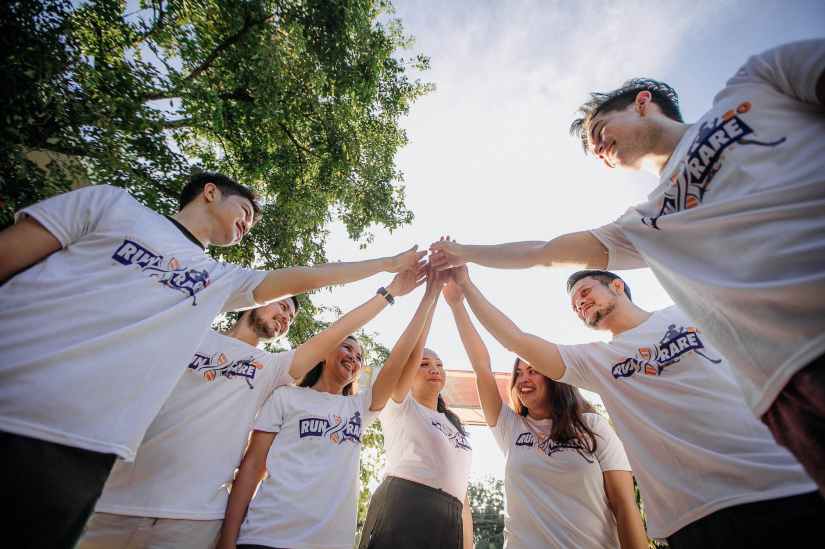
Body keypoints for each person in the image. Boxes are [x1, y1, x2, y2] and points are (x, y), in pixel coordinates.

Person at [428, 40, 825, 490]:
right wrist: (463, 252)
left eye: (598, 129)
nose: (597, 149)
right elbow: (544, 252)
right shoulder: (643, 224)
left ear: (642, 102)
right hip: (791, 383)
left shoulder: (755, 81)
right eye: (593, 151)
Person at [0, 172, 425, 548]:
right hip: (105, 490)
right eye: (244, 211)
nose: (284, 314)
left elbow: (314, 296)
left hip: (157, 496)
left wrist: (387, 281)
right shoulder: (117, 210)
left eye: (291, 316)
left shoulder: (251, 335)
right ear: (210, 192)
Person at [451, 265, 823, 548]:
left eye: (584, 292)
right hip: (692, 516)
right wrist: (461, 293)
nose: (580, 303)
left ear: (617, 285)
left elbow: (624, 504)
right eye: (575, 304)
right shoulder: (593, 364)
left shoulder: (687, 314)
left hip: (780, 482)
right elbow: (507, 346)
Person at [79, 265, 420, 548]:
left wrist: (389, 293)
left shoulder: (272, 370)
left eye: (291, 316)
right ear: (254, 299)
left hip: (194, 518)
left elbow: (338, 332)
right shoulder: (189, 333)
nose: (286, 316)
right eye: (282, 305)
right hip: (113, 500)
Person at [216, 267, 441, 549]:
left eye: (359, 357)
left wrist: (430, 297)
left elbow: (401, 358)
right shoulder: (286, 397)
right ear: (325, 352)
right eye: (347, 349)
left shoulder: (360, 407)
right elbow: (252, 468)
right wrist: (227, 538)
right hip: (266, 538)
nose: (354, 358)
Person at [443, 271, 646, 549]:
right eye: (518, 373)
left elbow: (624, 505)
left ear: (553, 377)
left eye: (533, 371)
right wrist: (457, 304)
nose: (523, 379)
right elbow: (481, 366)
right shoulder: (509, 427)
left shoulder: (592, 426)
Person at [358, 275, 473, 549]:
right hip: (405, 505)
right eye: (424, 364)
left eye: (439, 365)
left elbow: (462, 492)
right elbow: (411, 352)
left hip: (449, 517)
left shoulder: (453, 423)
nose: (434, 369)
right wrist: (432, 294)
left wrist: (467, 544)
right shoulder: (400, 405)